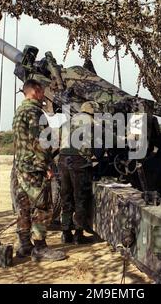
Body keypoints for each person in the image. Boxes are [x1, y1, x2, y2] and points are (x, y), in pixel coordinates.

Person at [12, 79, 66, 261]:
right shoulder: (35, 112)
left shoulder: (19, 112)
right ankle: (40, 248)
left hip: (21, 167)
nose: (44, 93)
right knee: (43, 207)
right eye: (42, 90)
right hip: (35, 169)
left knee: (23, 207)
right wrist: (47, 166)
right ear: (35, 90)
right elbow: (41, 142)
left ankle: (25, 246)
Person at [59, 101, 99, 244]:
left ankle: (65, 232)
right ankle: (78, 234)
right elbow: (102, 141)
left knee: (66, 196)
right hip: (79, 162)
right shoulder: (91, 121)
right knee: (80, 197)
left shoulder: (69, 121)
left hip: (63, 160)